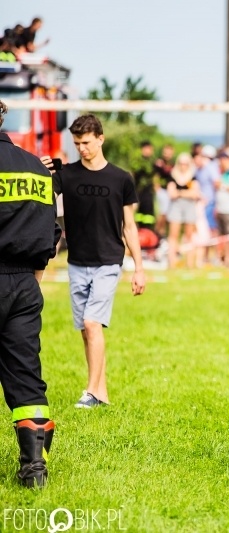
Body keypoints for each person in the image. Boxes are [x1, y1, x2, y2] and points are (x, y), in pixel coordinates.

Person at [53, 114, 146, 408]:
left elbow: (129, 226)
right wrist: (40, 167)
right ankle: (101, 392)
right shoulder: (66, 175)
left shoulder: (121, 179)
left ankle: (91, 392)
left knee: (93, 323)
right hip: (77, 262)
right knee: (85, 329)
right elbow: (39, 192)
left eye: (87, 143)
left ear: (101, 139)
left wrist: (139, 268)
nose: (82, 148)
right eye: (77, 143)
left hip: (108, 261)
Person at [0, 100, 59, 487]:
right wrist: (30, 279)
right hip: (24, 282)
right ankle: (34, 469)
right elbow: (51, 231)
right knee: (26, 375)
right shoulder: (37, 167)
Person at [166, 152, 201, 269]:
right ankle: (172, 262)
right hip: (176, 207)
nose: (183, 166)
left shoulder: (193, 176)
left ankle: (190, 263)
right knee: (173, 235)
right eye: (181, 163)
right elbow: (171, 193)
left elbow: (195, 193)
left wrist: (180, 193)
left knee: (189, 236)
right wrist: (186, 193)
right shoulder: (173, 175)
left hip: (189, 207)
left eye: (186, 164)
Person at [130, 141, 158, 231]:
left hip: (148, 193)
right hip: (137, 192)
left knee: (149, 214)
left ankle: (149, 232)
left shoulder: (154, 163)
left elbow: (156, 177)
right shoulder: (136, 162)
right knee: (136, 214)